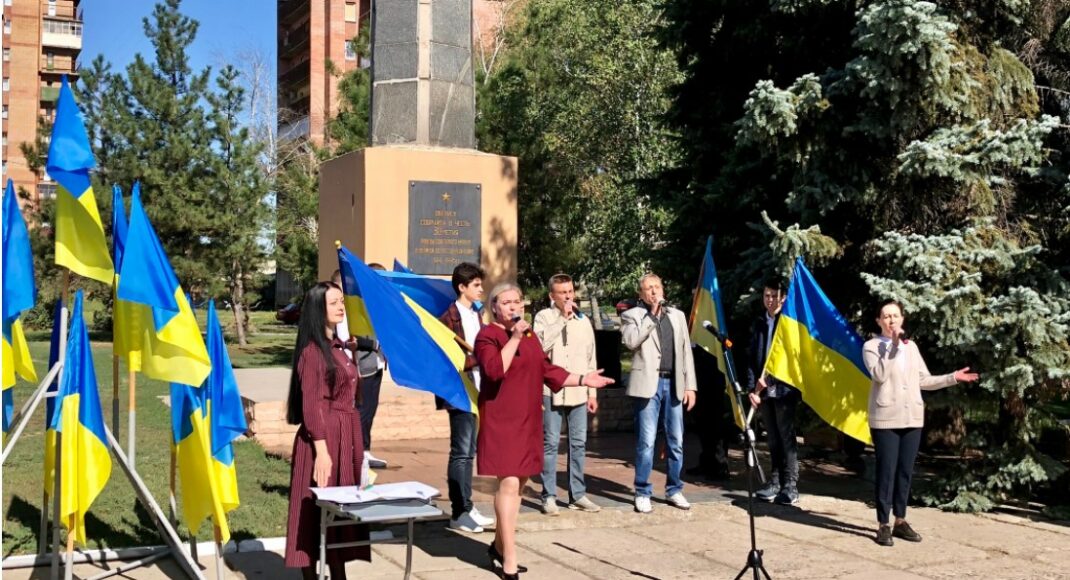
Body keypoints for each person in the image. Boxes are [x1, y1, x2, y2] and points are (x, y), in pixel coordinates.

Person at [476, 283, 614, 579]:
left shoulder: (529, 338)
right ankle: (510, 558)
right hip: (501, 420)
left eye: (518, 301)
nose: (514, 306)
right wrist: (513, 338)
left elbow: (546, 370)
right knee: (510, 483)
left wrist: (583, 379)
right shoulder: (488, 335)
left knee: (519, 483)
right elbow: (494, 370)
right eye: (507, 302)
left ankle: (499, 547)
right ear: (494, 308)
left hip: (527, 418)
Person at [863, 299, 977, 547]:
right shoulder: (871, 346)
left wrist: (952, 378)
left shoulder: (911, 347)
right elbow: (879, 375)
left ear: (902, 319)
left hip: (912, 418)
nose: (891, 320)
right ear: (878, 321)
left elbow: (923, 380)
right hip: (886, 419)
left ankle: (900, 521)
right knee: (887, 471)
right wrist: (892, 347)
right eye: (886, 316)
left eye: (895, 315)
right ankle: (883, 524)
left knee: (905, 471)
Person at [284, 282, 369, 579]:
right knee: (315, 513)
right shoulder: (312, 352)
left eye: (341, 301)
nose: (341, 307)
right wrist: (321, 451)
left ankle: (338, 572)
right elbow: (312, 405)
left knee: (339, 511)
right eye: (334, 302)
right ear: (319, 308)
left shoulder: (341, 347)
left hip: (347, 435)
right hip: (324, 437)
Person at [621, 273, 697, 514]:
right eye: (648, 289)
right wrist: (651, 317)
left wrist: (690, 386)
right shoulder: (631, 315)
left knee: (676, 440)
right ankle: (642, 491)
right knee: (647, 442)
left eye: (657, 287)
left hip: (673, 383)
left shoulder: (677, 316)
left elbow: (686, 353)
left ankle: (674, 489)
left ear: (663, 288)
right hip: (648, 386)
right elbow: (632, 342)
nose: (654, 292)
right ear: (641, 295)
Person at [533, 273, 601, 515]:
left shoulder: (583, 321)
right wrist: (562, 319)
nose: (568, 296)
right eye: (562, 292)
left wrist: (592, 393)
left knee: (578, 444)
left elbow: (591, 356)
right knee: (550, 443)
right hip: (551, 391)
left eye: (570, 291)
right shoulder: (543, 317)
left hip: (579, 392)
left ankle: (578, 494)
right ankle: (548, 495)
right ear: (552, 295)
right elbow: (539, 347)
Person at [437, 262, 495, 533]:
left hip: (480, 389)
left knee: (470, 451)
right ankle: (459, 511)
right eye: (476, 285)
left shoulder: (478, 313)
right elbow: (449, 359)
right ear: (462, 287)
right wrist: (477, 358)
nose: (481, 289)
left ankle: (468, 506)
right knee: (461, 452)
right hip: (460, 392)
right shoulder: (448, 319)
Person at [746, 280, 802, 505]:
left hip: (782, 390)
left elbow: (790, 359)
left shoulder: (787, 323)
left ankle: (791, 486)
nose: (770, 300)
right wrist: (753, 387)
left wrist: (768, 380)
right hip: (762, 391)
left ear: (784, 298)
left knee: (786, 438)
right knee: (772, 440)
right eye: (767, 295)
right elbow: (752, 357)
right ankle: (775, 482)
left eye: (774, 296)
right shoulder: (760, 323)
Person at [331, 268, 388, 469]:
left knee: (370, 409)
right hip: (358, 365)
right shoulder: (346, 308)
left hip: (374, 364)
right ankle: (356, 451)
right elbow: (349, 338)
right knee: (361, 410)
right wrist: (375, 345)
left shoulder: (365, 304)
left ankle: (364, 449)